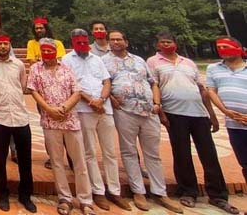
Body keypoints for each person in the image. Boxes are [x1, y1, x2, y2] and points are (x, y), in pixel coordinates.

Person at [102, 30, 183, 213]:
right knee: (129, 151)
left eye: (119, 39)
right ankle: (138, 191)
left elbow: (152, 82)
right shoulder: (103, 62)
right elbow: (102, 83)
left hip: (148, 110)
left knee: (153, 153)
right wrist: (112, 98)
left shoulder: (139, 60)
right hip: (125, 111)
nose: (116, 42)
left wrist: (157, 103)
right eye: (112, 40)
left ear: (126, 41)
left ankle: (160, 192)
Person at [166, 35, 240, 215]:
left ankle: (218, 195)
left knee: (209, 154)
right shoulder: (153, 62)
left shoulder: (189, 63)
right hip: (174, 113)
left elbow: (204, 90)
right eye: (220, 47)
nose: (223, 50)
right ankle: (188, 191)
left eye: (169, 41)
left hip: (199, 112)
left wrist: (212, 114)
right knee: (181, 153)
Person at [62, 29, 131, 211]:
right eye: (78, 41)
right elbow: (72, 85)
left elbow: (106, 81)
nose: (82, 45)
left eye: (85, 41)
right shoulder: (67, 60)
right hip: (84, 109)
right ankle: (98, 191)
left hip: (104, 108)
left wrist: (101, 99)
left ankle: (114, 191)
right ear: (72, 41)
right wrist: (90, 101)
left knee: (109, 152)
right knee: (89, 152)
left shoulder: (97, 59)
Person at [28, 38, 94, 215]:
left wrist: (64, 108)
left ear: (56, 51)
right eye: (44, 50)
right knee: (57, 162)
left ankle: (85, 199)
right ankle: (64, 198)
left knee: (79, 162)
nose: (47, 53)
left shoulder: (67, 68)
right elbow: (33, 90)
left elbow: (77, 91)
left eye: (50, 50)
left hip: (70, 120)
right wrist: (48, 109)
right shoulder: (35, 69)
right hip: (49, 120)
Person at [0, 32, 37, 213]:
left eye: (5, 44)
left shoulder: (18, 64)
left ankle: (25, 194)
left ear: (9, 45)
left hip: (20, 117)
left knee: (25, 159)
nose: (3, 47)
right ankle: (2, 194)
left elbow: (22, 85)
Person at [208, 37, 247, 183]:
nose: (222, 50)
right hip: (234, 124)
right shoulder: (214, 69)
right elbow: (211, 91)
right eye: (220, 47)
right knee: (244, 162)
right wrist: (226, 111)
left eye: (226, 46)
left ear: (238, 48)